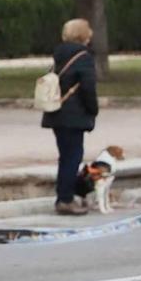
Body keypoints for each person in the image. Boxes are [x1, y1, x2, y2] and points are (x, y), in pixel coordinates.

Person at [41, 18, 99, 217]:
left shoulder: (60, 54)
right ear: (84, 35)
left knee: (65, 156)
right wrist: (93, 110)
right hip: (74, 114)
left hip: (58, 111)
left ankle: (65, 195)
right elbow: (88, 88)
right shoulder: (83, 57)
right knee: (72, 157)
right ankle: (65, 199)